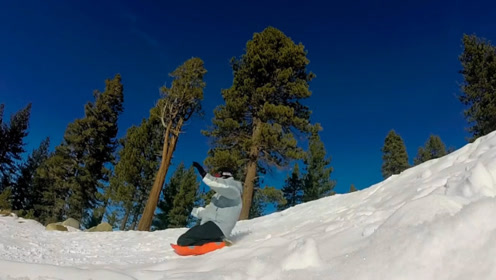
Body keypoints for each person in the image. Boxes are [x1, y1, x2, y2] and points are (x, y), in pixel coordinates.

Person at [176, 161, 243, 246]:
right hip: (211, 226)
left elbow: (222, 185)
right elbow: (208, 212)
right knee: (184, 239)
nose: (216, 178)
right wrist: (192, 210)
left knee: (184, 240)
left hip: (219, 226)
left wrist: (204, 174)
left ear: (225, 175)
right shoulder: (218, 196)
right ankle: (217, 240)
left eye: (218, 176)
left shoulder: (234, 189)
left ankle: (218, 242)